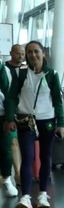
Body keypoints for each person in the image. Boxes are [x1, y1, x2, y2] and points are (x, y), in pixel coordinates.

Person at [4, 40, 64, 208]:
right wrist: (10, 118)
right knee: (28, 157)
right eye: (29, 52)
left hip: (47, 121)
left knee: (45, 157)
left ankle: (43, 194)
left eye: (36, 51)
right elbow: (11, 97)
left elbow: (58, 101)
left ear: (43, 53)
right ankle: (25, 196)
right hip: (26, 121)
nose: (33, 55)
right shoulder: (21, 73)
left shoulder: (52, 74)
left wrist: (60, 123)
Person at [4, 44, 25, 192]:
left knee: (19, 143)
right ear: (11, 53)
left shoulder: (26, 69)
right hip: (6, 110)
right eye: (18, 53)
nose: (21, 56)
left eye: (22, 54)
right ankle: (14, 174)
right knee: (12, 142)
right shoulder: (4, 68)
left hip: (23, 110)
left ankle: (20, 173)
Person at [0, 62, 19, 197]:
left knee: (6, 150)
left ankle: (6, 178)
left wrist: (9, 117)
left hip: (2, 116)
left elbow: (10, 95)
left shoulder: (4, 70)